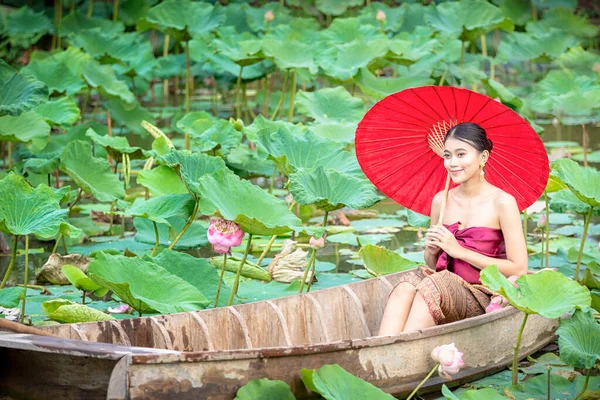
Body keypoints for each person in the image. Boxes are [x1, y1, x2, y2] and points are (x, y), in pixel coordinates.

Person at [377, 122, 528, 335]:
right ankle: (381, 353)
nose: (452, 163)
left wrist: (459, 251)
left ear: (483, 157)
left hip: (481, 293)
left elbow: (518, 268)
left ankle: (400, 354)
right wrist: (430, 251)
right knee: (406, 285)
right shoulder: (441, 200)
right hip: (443, 287)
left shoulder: (502, 202)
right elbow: (433, 264)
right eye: (447, 155)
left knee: (435, 284)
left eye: (461, 154)